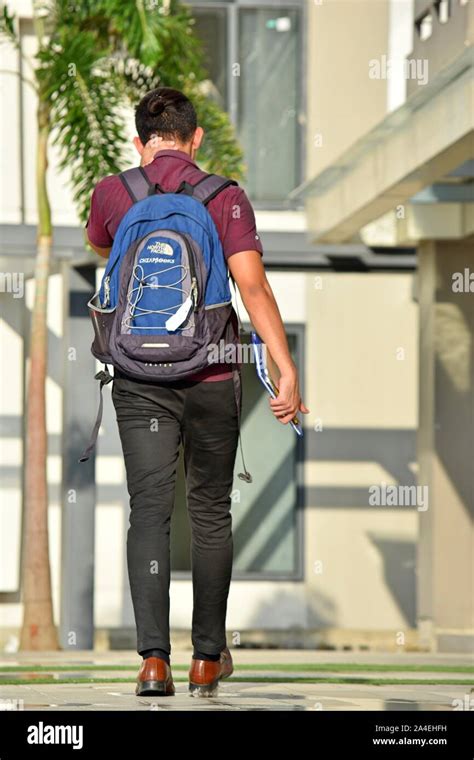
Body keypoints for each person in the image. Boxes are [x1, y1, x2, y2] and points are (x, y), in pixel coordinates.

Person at [85, 87, 309, 697]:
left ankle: (152, 662)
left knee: (149, 514)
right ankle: (207, 657)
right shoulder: (224, 197)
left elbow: (104, 250)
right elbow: (252, 286)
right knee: (209, 511)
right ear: (196, 138)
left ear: (140, 142)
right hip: (211, 373)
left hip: (138, 379)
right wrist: (284, 365)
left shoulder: (114, 192)